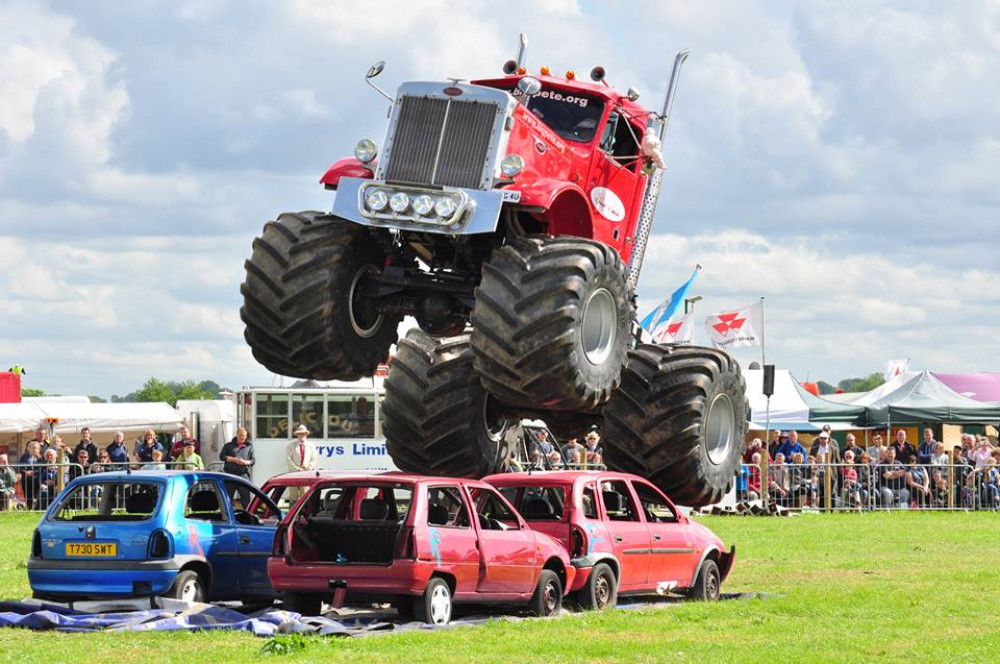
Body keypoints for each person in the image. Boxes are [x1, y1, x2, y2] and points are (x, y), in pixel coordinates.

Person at [221, 427, 255, 506]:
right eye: (240, 435)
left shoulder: (249, 447)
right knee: (227, 499)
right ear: (236, 435)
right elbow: (222, 457)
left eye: (243, 435)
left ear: (246, 436)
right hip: (229, 475)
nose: (242, 437)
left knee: (246, 499)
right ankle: (227, 517)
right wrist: (234, 460)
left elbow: (253, 460)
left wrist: (245, 462)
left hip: (243, 475)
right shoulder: (228, 445)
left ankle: (247, 516)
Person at [19, 441, 43, 510]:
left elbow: (42, 468)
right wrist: (25, 472)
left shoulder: (40, 458)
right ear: (29, 448)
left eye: (36, 448)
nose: (34, 449)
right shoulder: (24, 456)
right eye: (33, 447)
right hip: (26, 478)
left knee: (36, 495)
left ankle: (36, 509)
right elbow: (20, 466)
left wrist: (33, 472)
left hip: (36, 478)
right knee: (28, 494)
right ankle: (29, 509)